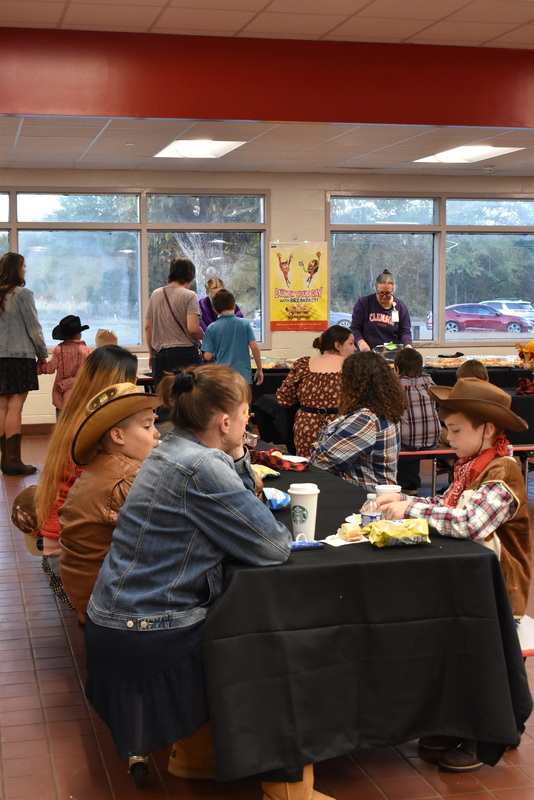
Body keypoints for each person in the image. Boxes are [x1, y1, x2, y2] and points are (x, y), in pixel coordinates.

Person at [83, 365, 328, 800]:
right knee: (276, 649)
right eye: (245, 414)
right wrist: (238, 465)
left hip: (116, 617)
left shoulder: (172, 447)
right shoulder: (201, 466)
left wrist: (235, 457)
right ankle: (288, 787)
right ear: (225, 422)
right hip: (148, 630)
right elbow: (272, 547)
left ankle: (198, 757)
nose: (249, 422)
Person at [377, 377, 531, 773]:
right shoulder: (471, 466)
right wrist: (408, 499)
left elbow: (469, 522)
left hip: (499, 591)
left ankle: (487, 733)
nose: (448, 435)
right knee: (449, 650)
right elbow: (447, 504)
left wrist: (410, 510)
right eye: (448, 427)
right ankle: (455, 722)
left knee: (477, 659)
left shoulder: (505, 471)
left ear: (487, 430)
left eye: (456, 429)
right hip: (471, 586)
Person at [35, 345, 138, 608]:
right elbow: (114, 491)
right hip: (70, 556)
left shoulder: (77, 414)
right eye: (133, 381)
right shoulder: (93, 427)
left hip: (59, 546)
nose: (136, 387)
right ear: (118, 384)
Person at [58, 382, 160, 625]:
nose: (157, 433)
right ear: (117, 435)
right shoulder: (129, 478)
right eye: (147, 426)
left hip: (84, 588)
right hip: (109, 599)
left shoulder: (102, 465)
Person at [311, 351, 405, 490]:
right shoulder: (384, 411)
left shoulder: (365, 420)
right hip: (375, 496)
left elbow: (321, 462)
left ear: (353, 382)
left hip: (360, 499)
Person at [276, 325, 356, 458]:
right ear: (338, 345)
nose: (354, 348)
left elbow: (284, 398)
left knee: (307, 467)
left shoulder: (303, 364)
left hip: (306, 426)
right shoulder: (353, 367)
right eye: (351, 343)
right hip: (341, 427)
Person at [0, 251, 47, 475]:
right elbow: (34, 328)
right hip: (19, 357)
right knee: (15, 407)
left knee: (1, 407)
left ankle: (5, 459)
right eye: (24, 266)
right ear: (16, 270)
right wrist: (43, 353)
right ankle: (13, 460)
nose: (25, 270)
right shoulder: (23, 294)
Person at [145, 256, 203, 424]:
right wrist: (205, 336)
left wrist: (151, 353)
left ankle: (165, 444)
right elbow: (193, 328)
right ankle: (189, 446)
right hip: (185, 356)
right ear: (189, 275)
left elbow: (148, 327)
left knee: (164, 403)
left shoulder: (156, 294)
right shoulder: (190, 295)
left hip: (160, 356)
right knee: (189, 403)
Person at [394, 348, 440, 493]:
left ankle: (407, 485)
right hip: (432, 440)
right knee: (415, 434)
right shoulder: (429, 382)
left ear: (396, 368)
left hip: (406, 443)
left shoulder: (394, 385)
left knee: (401, 433)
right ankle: (411, 482)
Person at [201, 288, 263, 386]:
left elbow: (207, 356)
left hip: (222, 377)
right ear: (234, 305)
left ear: (215, 310)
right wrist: (259, 369)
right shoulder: (245, 324)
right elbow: (255, 347)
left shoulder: (211, 328)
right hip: (243, 377)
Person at [38, 314, 92, 417]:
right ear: (78, 334)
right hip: (80, 389)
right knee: (78, 417)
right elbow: (91, 370)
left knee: (61, 417)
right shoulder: (87, 350)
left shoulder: (58, 350)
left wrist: (40, 368)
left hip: (61, 391)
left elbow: (50, 369)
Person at [350, 269, 413, 352]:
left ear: (393, 291)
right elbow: (355, 328)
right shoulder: (364, 303)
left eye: (387, 294)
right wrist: (361, 343)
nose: (384, 296)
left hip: (390, 353)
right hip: (367, 353)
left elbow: (405, 331)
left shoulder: (400, 307)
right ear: (376, 289)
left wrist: (408, 346)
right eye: (381, 293)